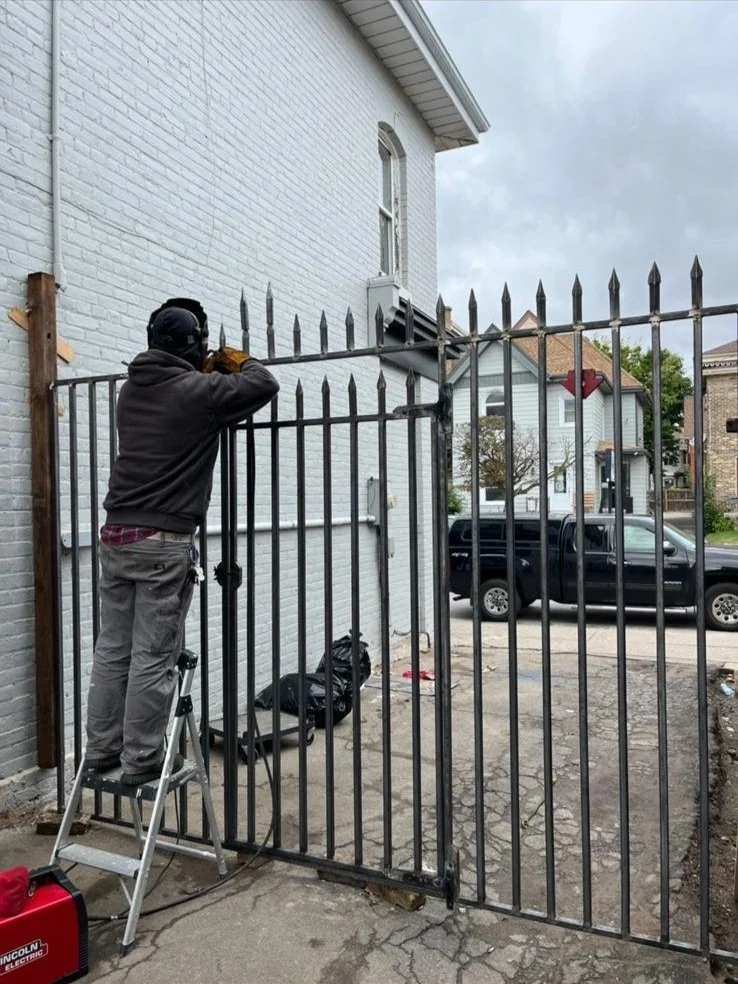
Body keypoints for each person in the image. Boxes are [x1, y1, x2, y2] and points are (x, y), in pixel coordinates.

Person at [84, 297, 279, 786]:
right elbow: (263, 383)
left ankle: (101, 749)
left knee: (113, 649)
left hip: (116, 534)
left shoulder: (130, 391)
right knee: (153, 654)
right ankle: (143, 760)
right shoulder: (199, 391)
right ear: (195, 348)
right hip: (161, 541)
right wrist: (234, 360)